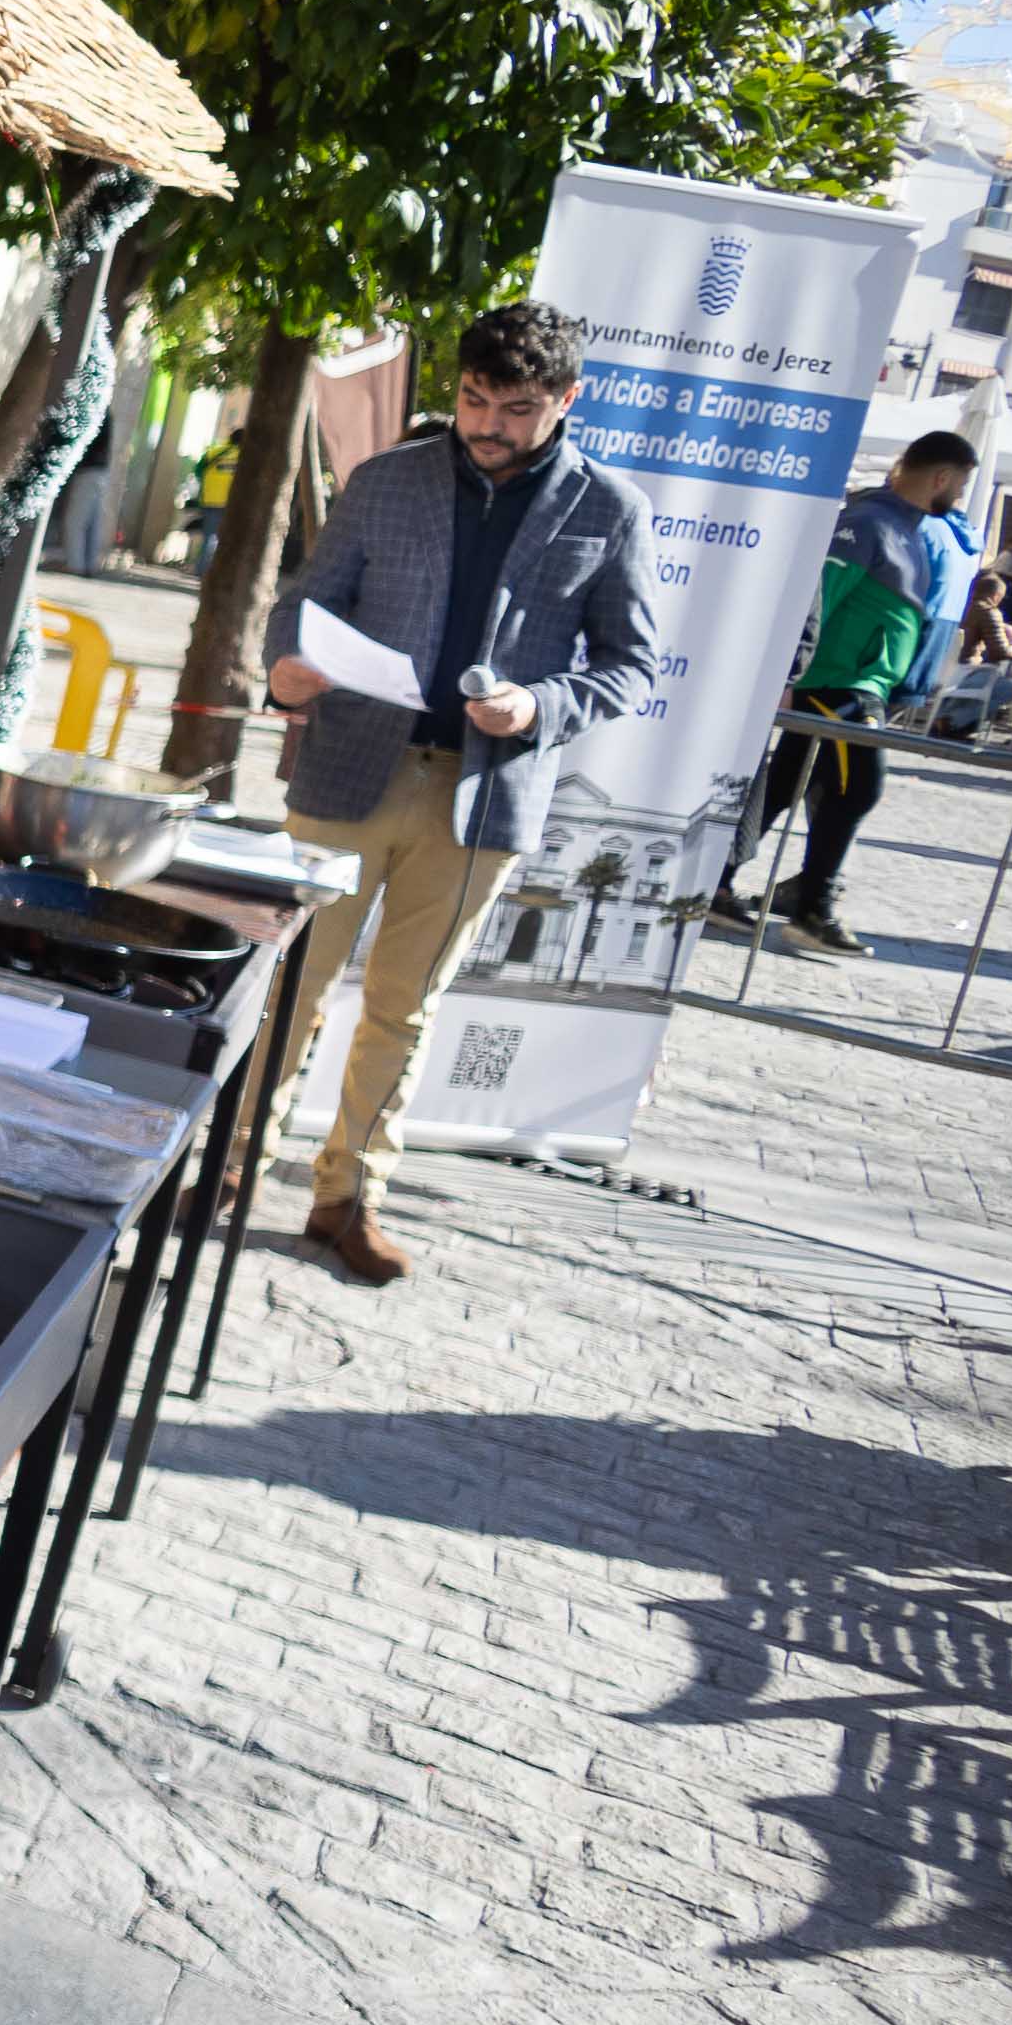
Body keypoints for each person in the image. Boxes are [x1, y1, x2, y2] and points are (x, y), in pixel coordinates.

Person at [259, 300, 662, 1286]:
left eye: (516, 408)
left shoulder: (611, 510)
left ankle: (348, 1200)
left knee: (404, 1008)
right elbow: (305, 604)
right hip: (349, 766)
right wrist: (287, 666)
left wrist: (541, 706)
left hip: (481, 800)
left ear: (569, 399)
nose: (488, 424)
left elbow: (630, 667)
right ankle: (229, 1168)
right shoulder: (386, 480)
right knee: (288, 989)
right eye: (475, 399)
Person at [699, 433, 980, 956]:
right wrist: (789, 674)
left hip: (851, 680)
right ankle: (812, 908)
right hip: (839, 684)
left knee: (784, 786)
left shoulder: (900, 527)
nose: (960, 496)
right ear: (942, 478)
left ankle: (715, 881)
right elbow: (818, 600)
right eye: (961, 485)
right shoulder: (871, 524)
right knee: (858, 789)